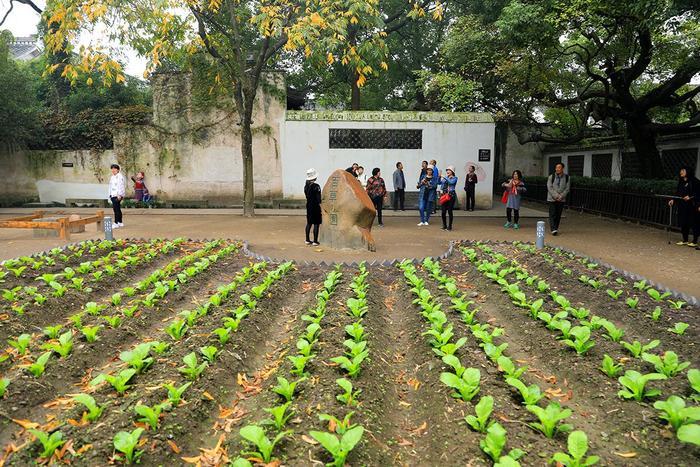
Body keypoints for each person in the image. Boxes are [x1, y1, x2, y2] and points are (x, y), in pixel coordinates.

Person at [668, 167, 699, 247]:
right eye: (680, 170)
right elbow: (678, 193)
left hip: (692, 206)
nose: (681, 172)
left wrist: (690, 197)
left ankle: (695, 241)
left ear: (688, 171)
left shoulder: (695, 181)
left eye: (683, 170)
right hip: (682, 206)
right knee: (683, 222)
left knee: (694, 223)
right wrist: (673, 200)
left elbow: (698, 193)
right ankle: (685, 240)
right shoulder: (681, 182)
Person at [547, 162, 570, 235]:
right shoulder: (551, 176)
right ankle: (553, 229)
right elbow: (549, 187)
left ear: (562, 168)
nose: (557, 169)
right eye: (556, 167)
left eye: (559, 167)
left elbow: (567, 188)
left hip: (561, 199)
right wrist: (556, 196)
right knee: (552, 213)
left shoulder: (567, 177)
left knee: (558, 214)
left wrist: (561, 196)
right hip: (552, 198)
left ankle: (555, 228)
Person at [304, 168, 322, 246]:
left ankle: (307, 240)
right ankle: (315, 241)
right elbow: (318, 199)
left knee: (309, 223)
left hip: (308, 205)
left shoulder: (306, 186)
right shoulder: (316, 186)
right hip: (315, 206)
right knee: (316, 223)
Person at [439, 166, 458, 231]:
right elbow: (440, 183)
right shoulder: (445, 178)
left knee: (450, 211)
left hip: (451, 196)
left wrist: (444, 177)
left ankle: (450, 226)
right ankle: (444, 225)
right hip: (444, 195)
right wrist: (439, 177)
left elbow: (451, 182)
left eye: (449, 170)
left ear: (452, 171)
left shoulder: (455, 178)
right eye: (447, 170)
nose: (447, 171)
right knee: (443, 212)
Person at [108, 163, 126, 228]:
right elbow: (110, 186)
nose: (113, 170)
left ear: (118, 170)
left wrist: (120, 195)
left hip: (117, 195)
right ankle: (120, 222)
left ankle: (116, 223)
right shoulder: (112, 177)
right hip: (113, 195)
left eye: (115, 168)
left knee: (116, 209)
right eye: (112, 168)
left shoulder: (119, 176)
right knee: (117, 208)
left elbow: (121, 186)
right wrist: (109, 194)